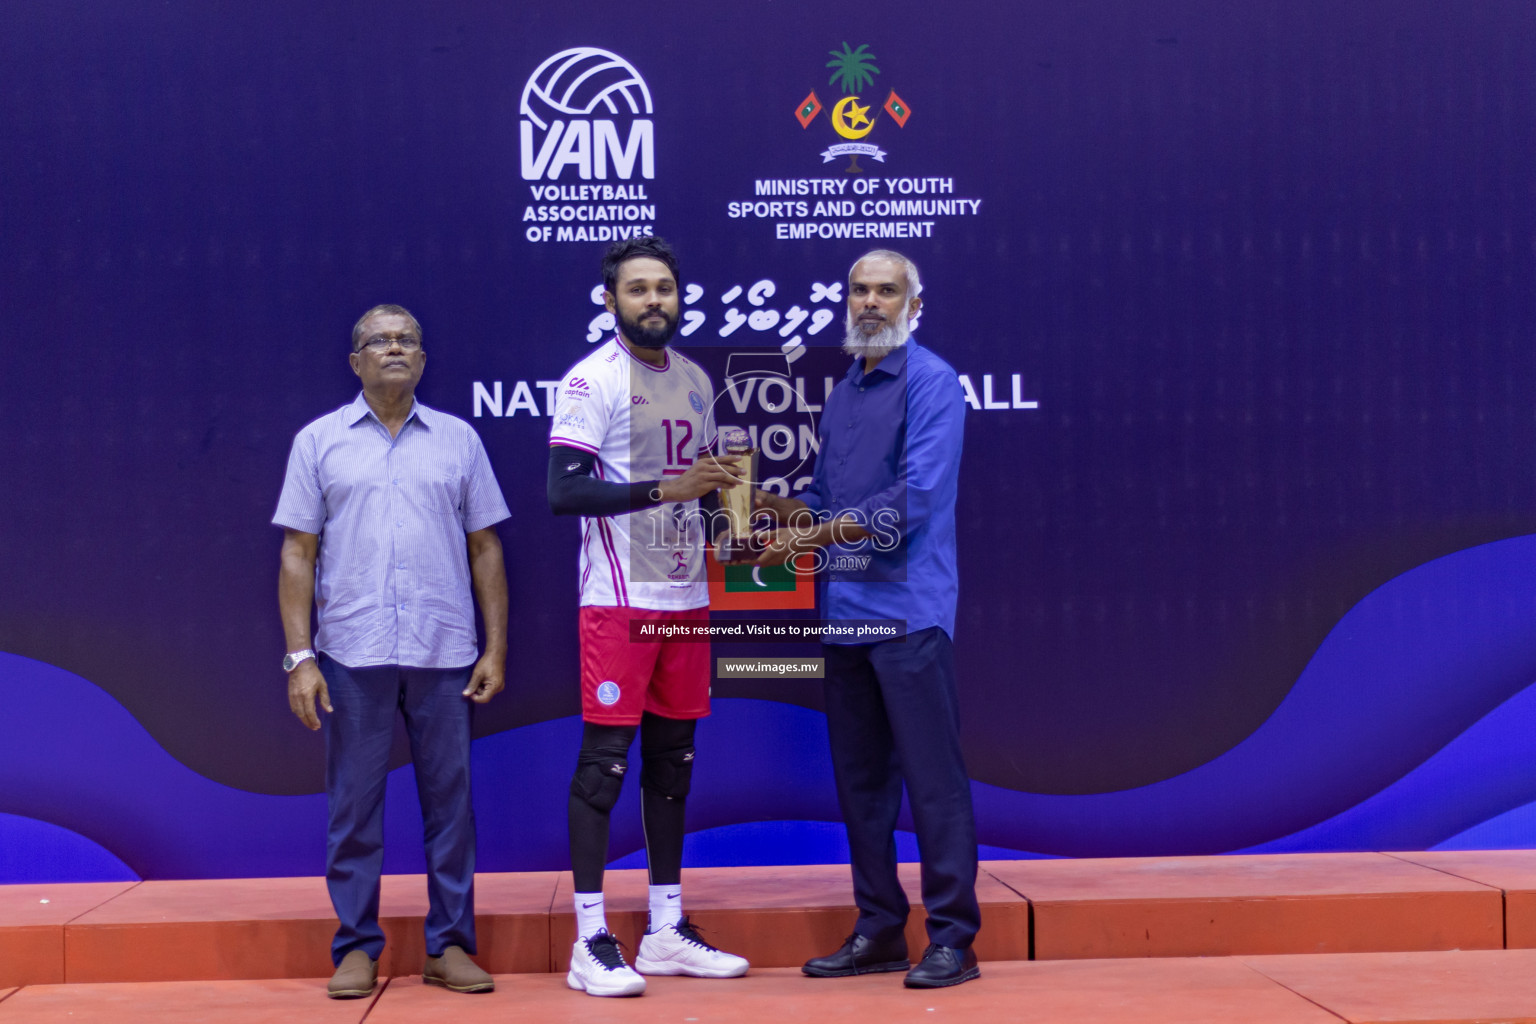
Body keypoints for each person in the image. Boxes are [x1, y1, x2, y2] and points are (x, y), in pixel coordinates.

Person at [755, 250, 981, 988]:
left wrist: (811, 536)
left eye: (887, 290)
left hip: (909, 616)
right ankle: (881, 929)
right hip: (844, 614)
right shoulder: (846, 391)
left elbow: (911, 502)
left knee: (933, 784)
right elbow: (823, 504)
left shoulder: (932, 383)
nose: (871, 302)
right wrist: (768, 512)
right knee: (862, 788)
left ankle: (952, 938)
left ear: (915, 304)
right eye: (860, 290)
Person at [274, 304, 509, 999]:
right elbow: (297, 552)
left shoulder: (459, 441)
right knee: (353, 808)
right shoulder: (318, 443)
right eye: (380, 341)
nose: (395, 349)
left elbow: (486, 547)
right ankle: (355, 947)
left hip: (445, 654)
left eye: (408, 340)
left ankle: (451, 946)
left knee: (452, 808)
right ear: (356, 362)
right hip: (352, 653)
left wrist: (495, 648)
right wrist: (299, 658)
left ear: (423, 359)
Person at [547, 236, 751, 997]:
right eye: (637, 290)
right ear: (611, 301)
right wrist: (667, 491)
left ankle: (665, 930)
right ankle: (590, 939)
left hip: (684, 598)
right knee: (603, 771)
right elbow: (564, 491)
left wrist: (728, 526)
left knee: (674, 764)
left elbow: (705, 484)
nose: (653, 301)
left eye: (664, 287)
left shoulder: (697, 381)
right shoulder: (590, 380)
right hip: (619, 601)